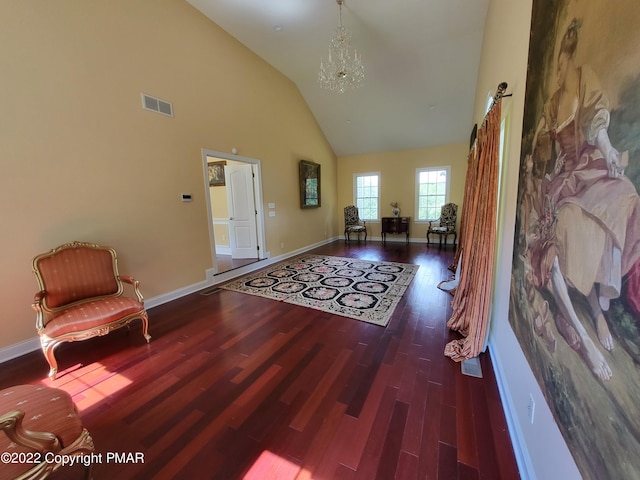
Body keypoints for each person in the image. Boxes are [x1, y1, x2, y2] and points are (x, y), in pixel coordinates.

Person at [525, 18, 640, 381]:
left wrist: (606, 149)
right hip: (563, 179)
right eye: (557, 65)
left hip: (587, 166)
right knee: (567, 228)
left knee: (620, 196)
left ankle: (599, 311)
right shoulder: (552, 101)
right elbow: (541, 141)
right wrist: (535, 155)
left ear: (568, 58)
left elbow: (595, 121)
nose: (558, 71)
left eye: (561, 64)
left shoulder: (582, 77)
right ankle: (590, 322)